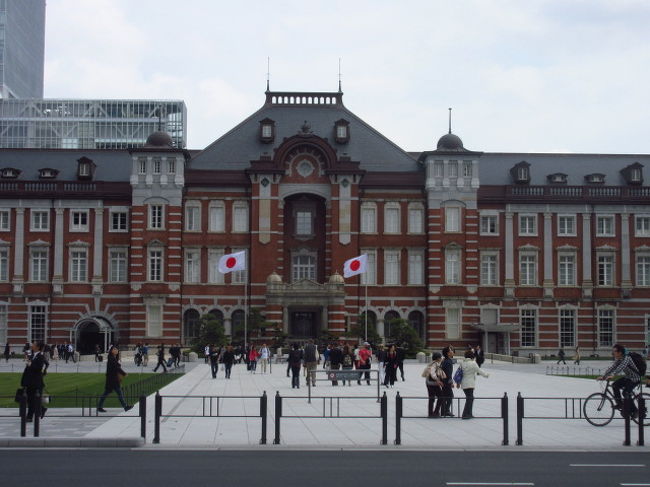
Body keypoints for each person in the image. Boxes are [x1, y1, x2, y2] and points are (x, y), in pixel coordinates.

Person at [597, 343, 642, 417]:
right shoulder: (619, 359)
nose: (613, 353)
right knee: (614, 385)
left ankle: (636, 411)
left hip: (635, 378)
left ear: (620, 352)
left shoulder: (626, 358)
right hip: (628, 377)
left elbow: (621, 367)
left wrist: (613, 375)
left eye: (614, 351)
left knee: (626, 393)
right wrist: (604, 376)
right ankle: (620, 404)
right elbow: (612, 367)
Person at [97, 345, 132, 413]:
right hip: (112, 380)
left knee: (107, 393)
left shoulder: (113, 357)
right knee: (118, 393)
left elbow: (116, 367)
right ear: (111, 351)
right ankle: (125, 406)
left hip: (112, 379)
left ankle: (99, 407)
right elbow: (116, 368)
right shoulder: (111, 358)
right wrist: (124, 373)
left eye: (117, 349)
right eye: (115, 349)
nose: (116, 350)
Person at [457, 350, 489, 419]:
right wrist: (486, 375)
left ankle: (469, 413)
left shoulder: (462, 363)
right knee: (470, 398)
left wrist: (458, 383)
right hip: (470, 383)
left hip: (464, 383)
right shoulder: (473, 363)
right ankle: (465, 414)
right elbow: (479, 371)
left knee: (470, 398)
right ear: (472, 356)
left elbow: (459, 373)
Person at [20, 341, 48, 422]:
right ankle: (41, 410)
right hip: (29, 381)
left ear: (38, 347)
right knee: (30, 399)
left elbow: (38, 368)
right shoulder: (33, 355)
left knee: (32, 399)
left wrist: (30, 364)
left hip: (35, 382)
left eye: (34, 344)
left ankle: (29, 416)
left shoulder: (40, 356)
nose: (32, 345)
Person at [425, 352, 445, 418]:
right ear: (438, 358)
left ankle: (431, 413)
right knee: (440, 396)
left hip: (429, 383)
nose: (442, 358)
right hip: (433, 384)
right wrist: (438, 381)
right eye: (441, 357)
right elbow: (433, 374)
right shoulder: (434, 364)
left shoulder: (432, 363)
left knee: (432, 398)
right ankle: (435, 412)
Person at [440, 346, 455, 417]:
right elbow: (449, 374)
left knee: (444, 396)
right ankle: (446, 411)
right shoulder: (448, 361)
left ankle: (443, 411)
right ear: (448, 353)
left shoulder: (444, 361)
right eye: (451, 351)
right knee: (450, 396)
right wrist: (451, 382)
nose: (452, 351)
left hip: (443, 381)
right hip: (446, 382)